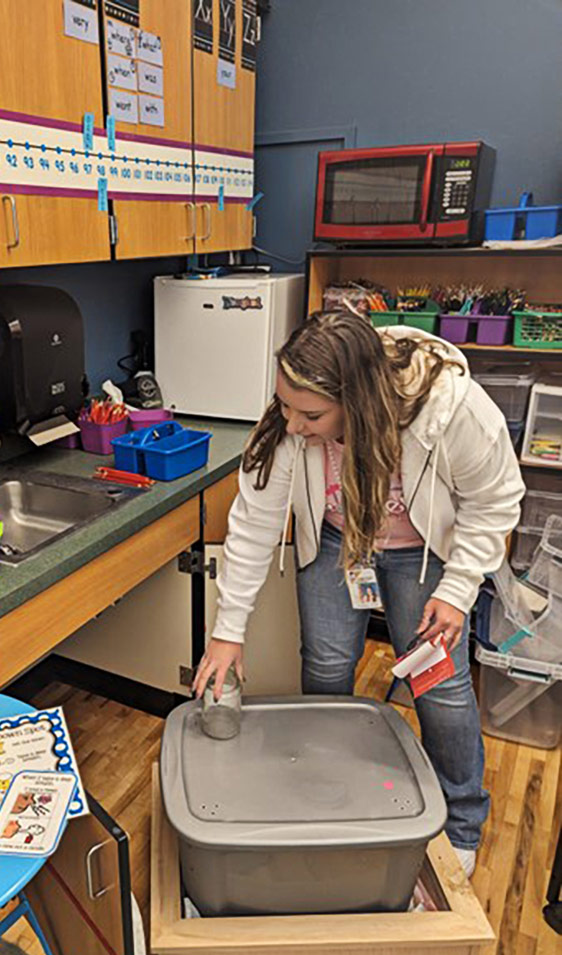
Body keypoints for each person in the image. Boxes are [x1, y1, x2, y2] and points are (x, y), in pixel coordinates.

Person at [193, 309, 525, 877]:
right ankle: (330, 790)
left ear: (360, 399)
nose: (293, 425)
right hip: (335, 539)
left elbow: (495, 502)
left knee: (438, 687)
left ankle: (462, 822)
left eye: (312, 414)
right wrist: (227, 633)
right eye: (286, 406)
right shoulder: (290, 421)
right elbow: (253, 525)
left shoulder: (452, 410)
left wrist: (458, 588)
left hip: (421, 550)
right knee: (324, 665)